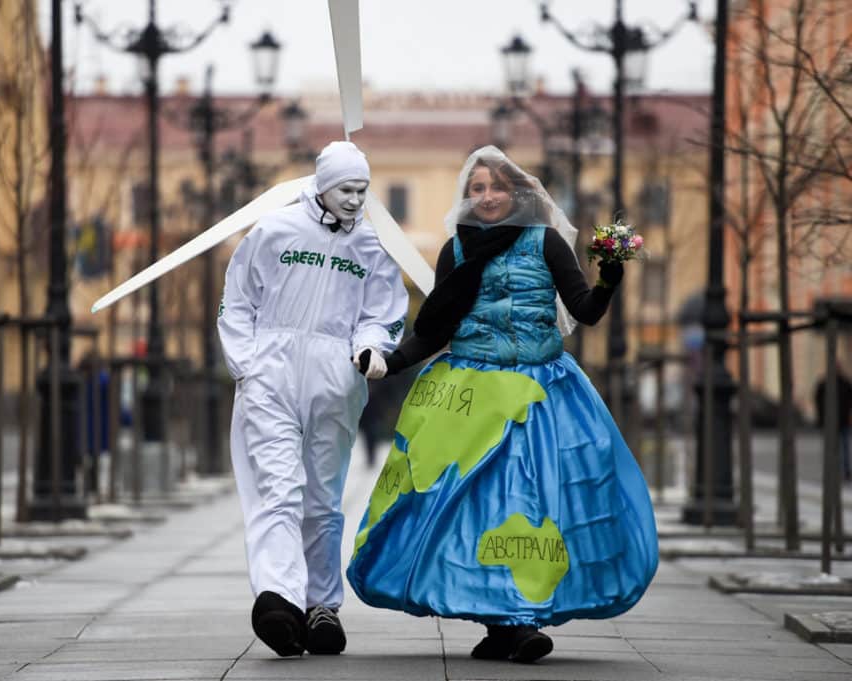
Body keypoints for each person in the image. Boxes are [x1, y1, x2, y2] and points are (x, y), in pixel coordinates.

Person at [346, 146, 658, 665]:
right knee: (471, 507)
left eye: (497, 187)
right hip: (471, 397)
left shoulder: (547, 242)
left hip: (542, 396)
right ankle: (506, 624)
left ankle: (515, 620)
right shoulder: (456, 251)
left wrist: (609, 278)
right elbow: (435, 328)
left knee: (531, 505)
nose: (488, 196)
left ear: (518, 193)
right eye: (477, 188)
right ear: (467, 197)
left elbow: (584, 310)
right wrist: (388, 362)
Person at [218, 140, 409, 657]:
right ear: (322, 186)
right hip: (271, 375)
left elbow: (384, 309)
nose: (354, 199)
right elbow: (237, 299)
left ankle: (321, 604)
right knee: (279, 488)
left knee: (323, 498)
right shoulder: (275, 231)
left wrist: (371, 348)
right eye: (346, 189)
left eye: (362, 190)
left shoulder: (370, 245)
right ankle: (278, 599)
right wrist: (248, 365)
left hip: (334, 380)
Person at [814, 363, 852, 482]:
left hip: (842, 422)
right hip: (831, 422)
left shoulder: (844, 383)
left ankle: (843, 471)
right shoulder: (824, 384)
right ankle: (832, 470)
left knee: (842, 448)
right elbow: (818, 401)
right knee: (833, 448)